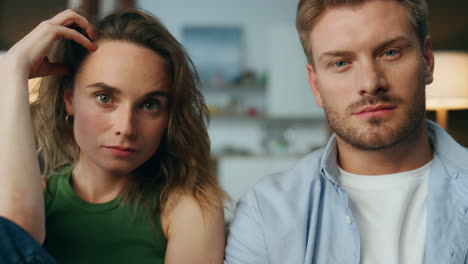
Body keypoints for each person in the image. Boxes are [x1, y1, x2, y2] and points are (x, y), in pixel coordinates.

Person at [224, 0, 468, 263]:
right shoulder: (265, 211)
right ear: (315, 85)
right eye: (340, 63)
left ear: (427, 61)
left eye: (390, 52)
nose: (370, 83)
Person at [0, 8, 227, 264]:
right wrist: (13, 71)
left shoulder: (189, 209)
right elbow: (16, 234)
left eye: (150, 104)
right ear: (69, 99)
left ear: (169, 115)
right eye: (105, 98)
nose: (126, 128)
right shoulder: (34, 199)